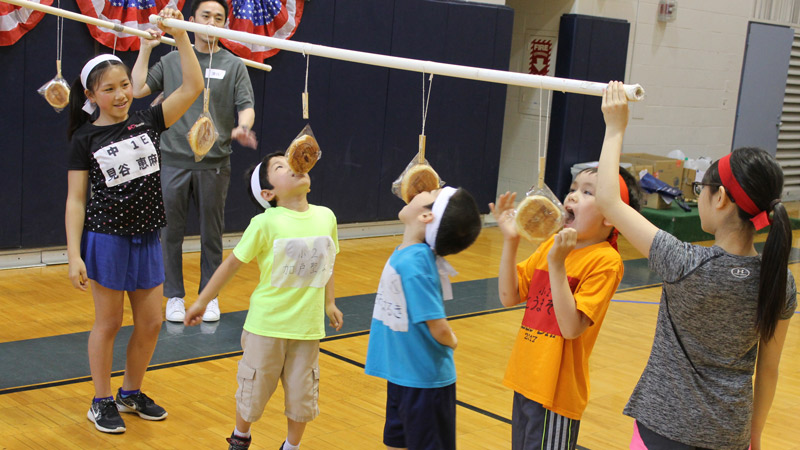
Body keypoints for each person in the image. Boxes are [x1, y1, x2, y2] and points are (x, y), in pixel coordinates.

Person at [598, 82, 796, 450]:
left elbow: (609, 202)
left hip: (664, 430)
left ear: (720, 197)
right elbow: (768, 371)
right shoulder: (780, 281)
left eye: (701, 187)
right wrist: (753, 438)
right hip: (729, 435)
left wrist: (615, 127)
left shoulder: (685, 262)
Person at [64, 7, 203, 434]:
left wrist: (179, 34)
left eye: (126, 85)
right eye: (110, 89)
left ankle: (130, 392)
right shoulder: (84, 139)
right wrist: (74, 255)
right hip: (106, 239)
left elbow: (193, 85)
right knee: (108, 323)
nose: (122, 94)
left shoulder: (149, 119)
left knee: (151, 321)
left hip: (147, 236)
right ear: (91, 95)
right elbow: (75, 201)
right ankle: (101, 399)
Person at [183, 152, 343, 450]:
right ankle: (240, 436)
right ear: (268, 193)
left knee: (302, 394)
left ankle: (291, 447)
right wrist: (203, 301)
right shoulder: (264, 222)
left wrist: (329, 303)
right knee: (253, 390)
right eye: (281, 166)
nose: (293, 165)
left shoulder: (326, 216)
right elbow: (231, 265)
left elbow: (327, 263)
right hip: (266, 327)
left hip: (307, 329)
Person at [489, 164, 642, 449]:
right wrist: (511, 241)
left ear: (611, 216)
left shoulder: (605, 261)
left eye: (587, 192)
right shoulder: (550, 247)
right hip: (526, 380)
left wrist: (557, 265)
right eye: (572, 189)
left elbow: (571, 328)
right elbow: (508, 296)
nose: (571, 197)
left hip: (556, 394)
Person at [132, 0, 257, 323]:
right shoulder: (173, 60)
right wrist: (146, 49)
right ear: (191, 21)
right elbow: (137, 88)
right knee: (169, 232)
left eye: (218, 18)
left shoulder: (234, 64)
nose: (212, 22)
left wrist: (243, 126)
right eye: (206, 16)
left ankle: (208, 296)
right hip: (173, 160)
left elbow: (246, 105)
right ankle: (174, 295)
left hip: (215, 164)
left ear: (225, 25)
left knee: (211, 234)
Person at [364, 186, 482, 450]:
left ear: (427, 217)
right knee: (397, 441)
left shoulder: (415, 264)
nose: (425, 189)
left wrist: (451, 341)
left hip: (424, 382)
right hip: (403, 375)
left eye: (432, 193)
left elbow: (438, 326)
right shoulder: (410, 255)